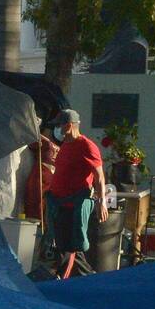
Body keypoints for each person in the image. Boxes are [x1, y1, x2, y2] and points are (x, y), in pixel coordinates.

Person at [43, 109, 107, 276]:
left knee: (71, 248)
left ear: (69, 126)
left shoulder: (86, 146)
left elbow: (99, 176)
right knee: (65, 247)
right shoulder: (65, 146)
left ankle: (78, 277)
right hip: (59, 205)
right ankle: (83, 277)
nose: (56, 129)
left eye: (59, 126)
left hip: (74, 206)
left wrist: (102, 203)